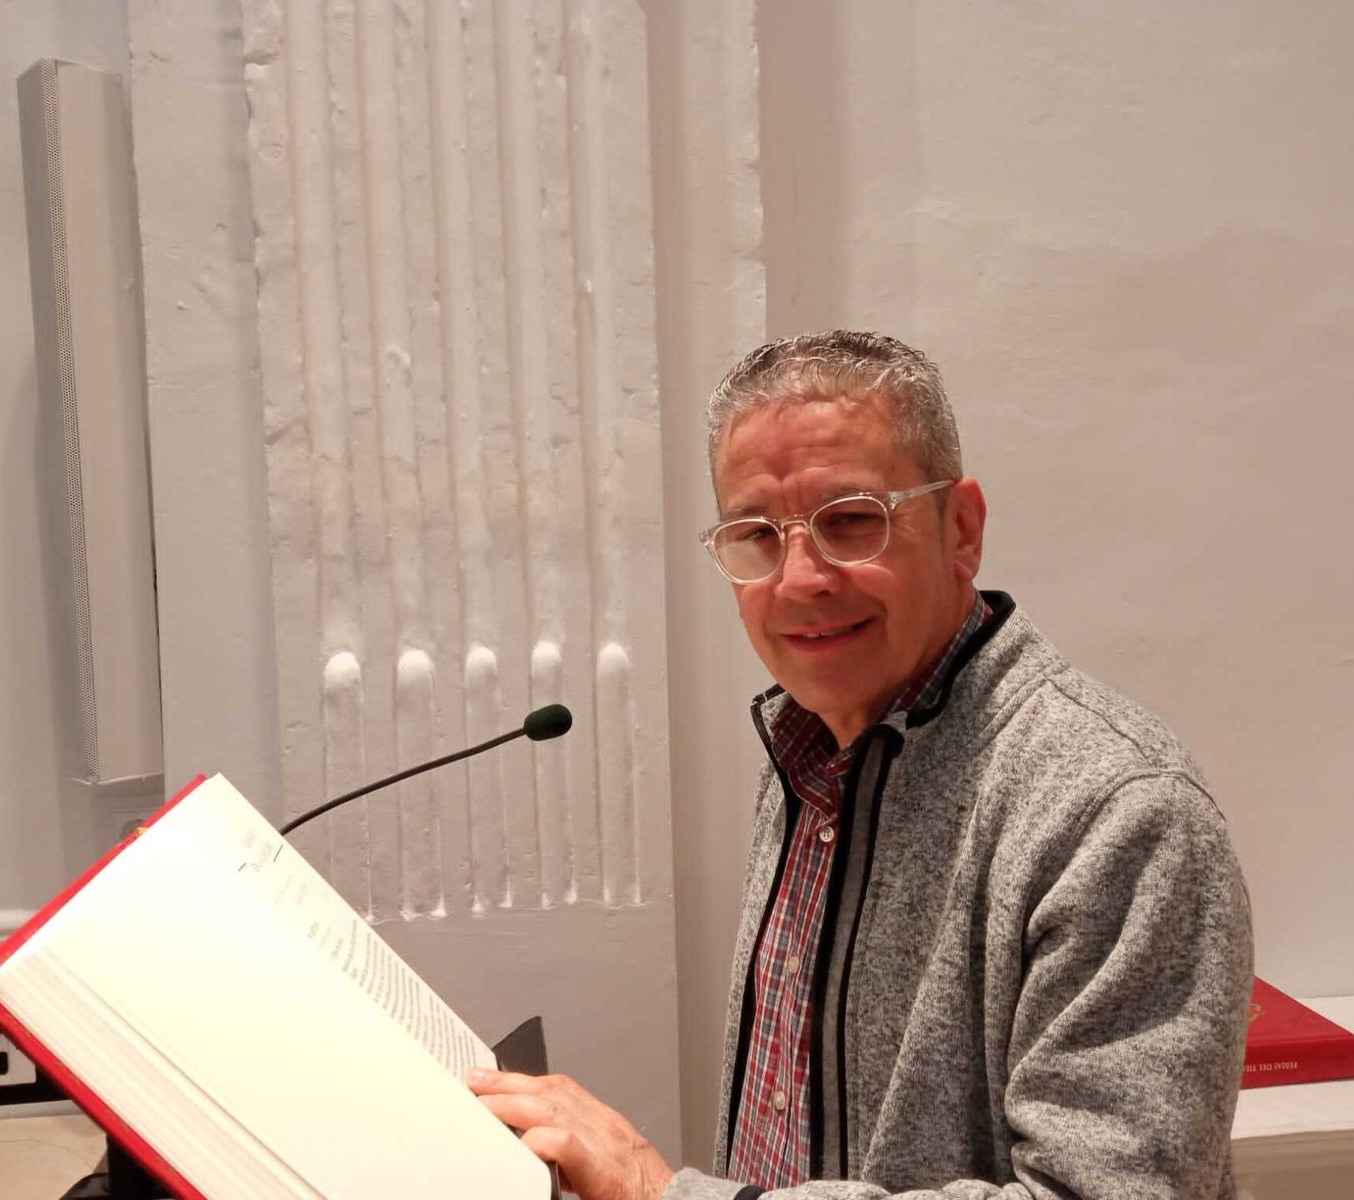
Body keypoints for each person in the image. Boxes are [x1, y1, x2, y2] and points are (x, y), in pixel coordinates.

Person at [470, 330, 1254, 1199]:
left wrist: (665, 1194)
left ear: (962, 528)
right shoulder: (814, 742)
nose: (800, 578)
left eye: (850, 522)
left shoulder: (1120, 810)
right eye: (757, 534)